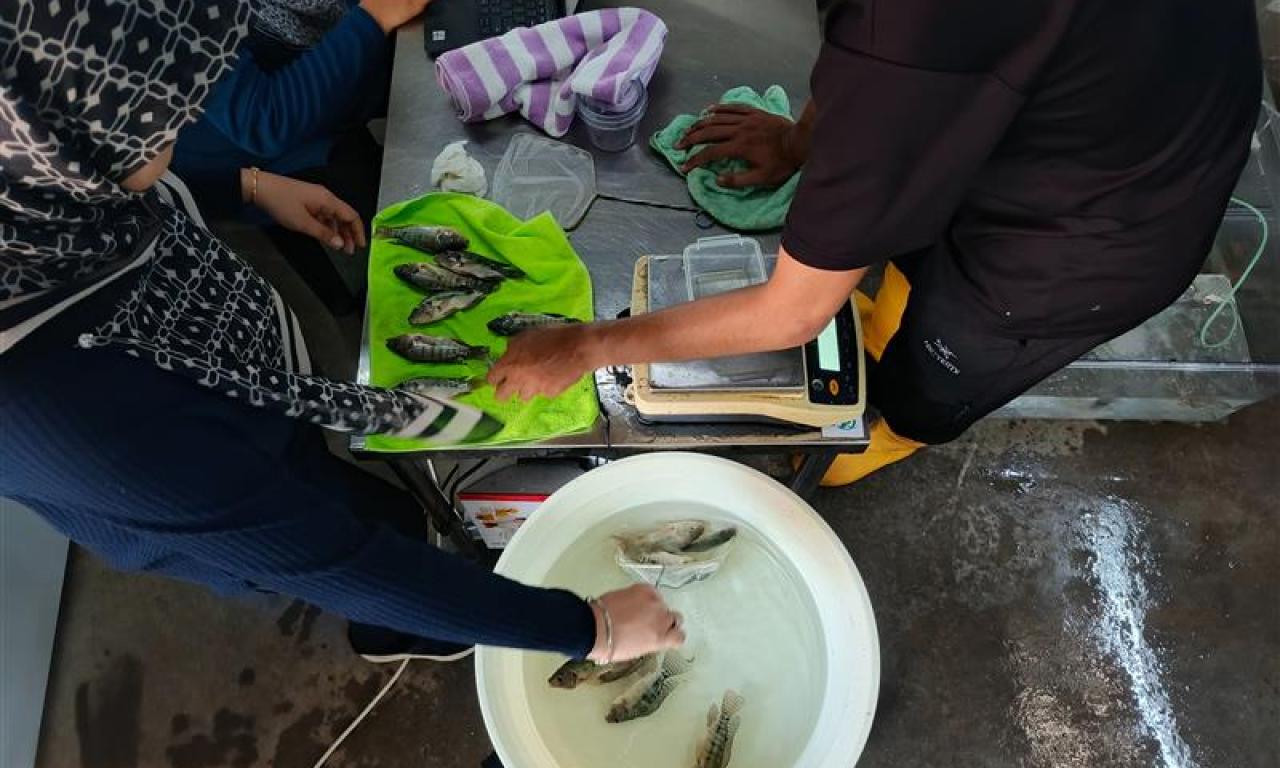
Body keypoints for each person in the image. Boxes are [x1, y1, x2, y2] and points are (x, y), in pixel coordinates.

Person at [0, 0, 682, 665]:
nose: (181, 130)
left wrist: (246, 185)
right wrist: (589, 629)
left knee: (369, 500)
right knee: (366, 532)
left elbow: (131, 186)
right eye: (160, 121)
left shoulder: (35, 190)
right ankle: (403, 637)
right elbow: (331, 561)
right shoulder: (54, 413)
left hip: (252, 396)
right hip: (232, 475)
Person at [488, 0, 1262, 486]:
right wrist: (802, 142)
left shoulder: (916, 33)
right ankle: (883, 335)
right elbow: (882, 53)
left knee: (923, 378)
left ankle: (852, 450)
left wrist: (589, 345)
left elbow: (789, 315)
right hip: (1070, 117)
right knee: (900, 281)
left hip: (1092, 238)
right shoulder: (905, 41)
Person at [174, 0, 431, 312]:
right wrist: (376, 17)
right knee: (415, 248)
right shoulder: (165, 22)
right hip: (264, 160)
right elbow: (265, 120)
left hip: (331, 83)